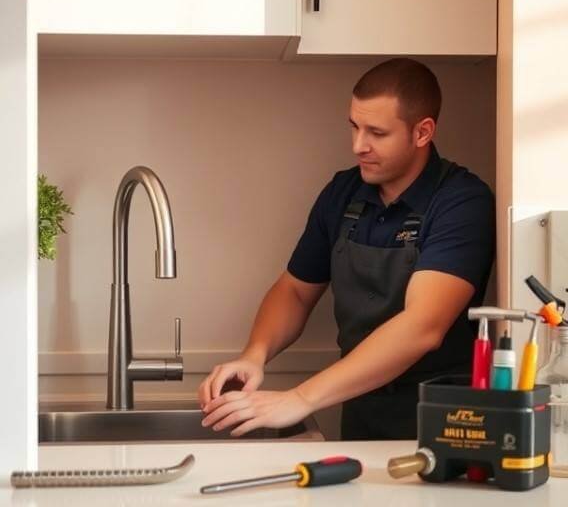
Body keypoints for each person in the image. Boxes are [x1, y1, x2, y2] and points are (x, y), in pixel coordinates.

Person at [198, 57, 496, 440]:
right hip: (362, 412)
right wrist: (254, 354)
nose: (359, 146)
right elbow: (295, 291)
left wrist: (301, 398)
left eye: (377, 132)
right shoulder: (343, 192)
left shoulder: (462, 202)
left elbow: (423, 326)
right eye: (354, 127)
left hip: (444, 423)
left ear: (422, 133)